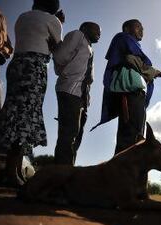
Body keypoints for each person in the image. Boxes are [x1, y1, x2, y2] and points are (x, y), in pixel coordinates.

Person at [0, 0, 62, 187]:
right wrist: (60, 24)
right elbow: (59, 51)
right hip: (35, 67)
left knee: (13, 114)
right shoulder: (52, 20)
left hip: (16, 65)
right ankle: (12, 172)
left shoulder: (22, 18)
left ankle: (11, 170)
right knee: (26, 118)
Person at [93, 19, 161, 156]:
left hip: (137, 95)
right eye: (138, 27)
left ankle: (127, 172)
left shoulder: (133, 45)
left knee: (136, 135)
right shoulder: (123, 38)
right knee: (129, 137)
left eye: (142, 27)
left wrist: (151, 73)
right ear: (126, 28)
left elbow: (138, 64)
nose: (142, 30)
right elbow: (132, 60)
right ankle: (121, 174)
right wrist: (152, 71)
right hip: (130, 94)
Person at [53, 22, 101, 165]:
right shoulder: (77, 35)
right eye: (96, 29)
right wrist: (67, 74)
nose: (99, 32)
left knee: (75, 136)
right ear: (85, 28)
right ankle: (61, 174)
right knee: (68, 134)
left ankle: (68, 170)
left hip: (82, 95)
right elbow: (60, 57)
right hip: (70, 91)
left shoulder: (89, 48)